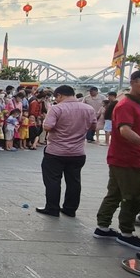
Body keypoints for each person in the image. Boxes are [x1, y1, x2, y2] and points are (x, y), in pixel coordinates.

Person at [94, 68, 140, 250]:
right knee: (134, 196)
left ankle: (103, 227)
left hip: (123, 157)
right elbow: (125, 130)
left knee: (114, 193)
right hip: (128, 158)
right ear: (133, 82)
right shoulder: (126, 105)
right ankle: (126, 232)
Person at [35, 85, 97, 218]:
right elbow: (93, 126)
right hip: (78, 152)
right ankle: (70, 209)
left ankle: (52, 208)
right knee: (74, 181)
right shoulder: (88, 109)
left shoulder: (57, 108)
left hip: (56, 151)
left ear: (59, 96)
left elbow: (48, 126)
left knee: (52, 180)